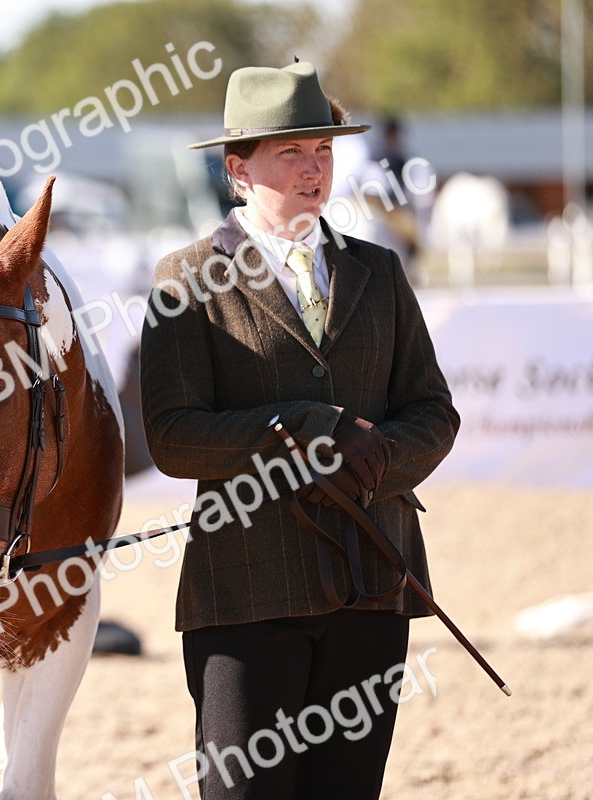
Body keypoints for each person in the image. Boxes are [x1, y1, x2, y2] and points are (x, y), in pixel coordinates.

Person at [140, 61, 459, 799]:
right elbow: (173, 435)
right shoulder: (184, 280)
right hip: (247, 592)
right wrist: (306, 432)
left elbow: (434, 413)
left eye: (323, 151)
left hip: (374, 584)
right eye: (291, 152)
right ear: (237, 167)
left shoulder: (380, 273)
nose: (314, 169)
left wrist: (369, 462)